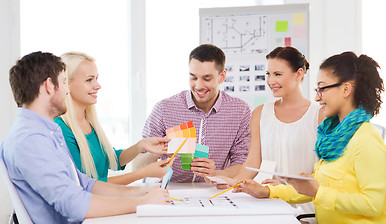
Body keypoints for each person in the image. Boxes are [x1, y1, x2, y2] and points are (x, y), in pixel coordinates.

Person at [0, 52, 170, 224]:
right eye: (64, 82)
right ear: (49, 86)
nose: (67, 91)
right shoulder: (31, 140)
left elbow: (85, 184)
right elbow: (75, 205)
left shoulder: (45, 132)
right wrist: (142, 202)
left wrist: (142, 192)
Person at [232, 52, 386, 224]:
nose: (316, 97)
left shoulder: (366, 139)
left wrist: (318, 192)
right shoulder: (333, 138)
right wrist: (267, 191)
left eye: (322, 88)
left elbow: (374, 204)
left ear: (345, 89)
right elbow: (312, 189)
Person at [135, 44, 251, 183]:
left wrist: (215, 173)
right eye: (193, 78)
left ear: (222, 76)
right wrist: (155, 152)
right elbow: (137, 167)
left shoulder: (240, 111)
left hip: (212, 192)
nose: (199, 86)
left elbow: (243, 163)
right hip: (170, 191)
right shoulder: (164, 109)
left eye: (207, 79)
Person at [55, 52, 170, 184]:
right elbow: (87, 186)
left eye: (97, 78)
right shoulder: (61, 129)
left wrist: (141, 146)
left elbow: (111, 160)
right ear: (66, 83)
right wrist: (143, 173)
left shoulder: (89, 123)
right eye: (89, 80)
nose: (98, 85)